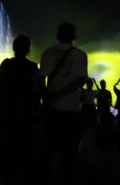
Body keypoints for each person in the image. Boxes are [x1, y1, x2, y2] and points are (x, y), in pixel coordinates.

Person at [39, 22, 88, 183]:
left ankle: (48, 178)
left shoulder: (48, 53)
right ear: (73, 37)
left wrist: (47, 95)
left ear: (58, 36)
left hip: (51, 108)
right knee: (70, 149)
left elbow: (41, 79)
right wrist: (63, 93)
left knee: (49, 148)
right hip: (71, 109)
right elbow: (81, 80)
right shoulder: (80, 55)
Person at [0, 34, 40, 184]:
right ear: (28, 49)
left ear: (14, 48)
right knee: (24, 147)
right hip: (25, 113)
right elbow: (36, 91)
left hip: (7, 112)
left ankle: (7, 175)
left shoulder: (6, 64)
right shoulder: (32, 67)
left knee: (8, 145)